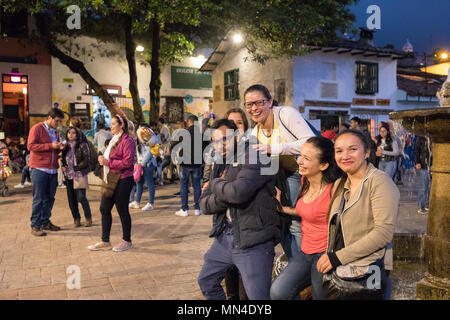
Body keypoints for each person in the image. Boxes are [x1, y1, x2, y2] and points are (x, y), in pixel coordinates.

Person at [198, 118, 281, 300]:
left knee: (257, 298)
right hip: (225, 236)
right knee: (206, 281)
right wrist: (226, 192)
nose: (221, 145)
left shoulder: (255, 155)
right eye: (216, 140)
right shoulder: (219, 162)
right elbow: (204, 204)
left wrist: (216, 183)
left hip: (254, 238)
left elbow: (238, 193)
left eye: (225, 139)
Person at [316, 129, 399, 300]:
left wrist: (337, 257)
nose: (345, 155)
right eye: (339, 151)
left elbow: (383, 233)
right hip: (338, 271)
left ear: (367, 152)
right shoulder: (340, 183)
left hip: (366, 272)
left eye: (352, 149)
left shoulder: (380, 182)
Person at [245, 84, 315, 260]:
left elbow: (310, 141)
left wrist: (274, 148)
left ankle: (302, 266)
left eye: (258, 102)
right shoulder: (255, 131)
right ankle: (293, 263)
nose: (254, 108)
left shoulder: (285, 114)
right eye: (249, 104)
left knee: (294, 220)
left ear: (269, 102)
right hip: (284, 176)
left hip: (306, 172)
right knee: (282, 220)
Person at [270, 137, 342, 300]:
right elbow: (307, 210)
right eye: (300, 155)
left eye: (307, 158)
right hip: (306, 252)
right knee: (277, 292)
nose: (299, 161)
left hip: (324, 254)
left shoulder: (335, 190)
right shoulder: (306, 180)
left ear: (323, 165)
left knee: (319, 297)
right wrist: (283, 208)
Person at [88, 114, 136, 252]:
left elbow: (127, 163)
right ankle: (105, 241)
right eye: (111, 124)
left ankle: (127, 241)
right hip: (110, 177)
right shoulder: (114, 139)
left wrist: (107, 162)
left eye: (114, 124)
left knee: (122, 210)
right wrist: (103, 159)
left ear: (121, 125)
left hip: (123, 179)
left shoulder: (128, 141)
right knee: (104, 208)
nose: (111, 126)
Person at [27, 108, 65, 236]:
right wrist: (51, 146)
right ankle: (35, 225)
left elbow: (54, 151)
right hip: (39, 168)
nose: (58, 124)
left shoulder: (56, 132)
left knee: (50, 197)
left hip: (53, 169)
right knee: (39, 198)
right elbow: (31, 146)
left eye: (60, 122)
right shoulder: (37, 128)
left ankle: (45, 221)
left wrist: (59, 148)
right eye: (57, 121)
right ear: (49, 117)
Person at [173, 115, 205, 217]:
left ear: (189, 122)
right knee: (197, 186)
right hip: (197, 163)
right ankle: (197, 208)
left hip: (185, 163)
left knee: (184, 185)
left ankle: (184, 209)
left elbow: (175, 143)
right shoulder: (201, 134)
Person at [61, 127, 93, 227]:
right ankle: (76, 218)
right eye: (69, 132)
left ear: (77, 134)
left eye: (73, 133)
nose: (71, 134)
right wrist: (63, 165)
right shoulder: (65, 147)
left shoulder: (82, 145)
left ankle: (88, 218)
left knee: (81, 197)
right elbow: (62, 159)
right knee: (72, 199)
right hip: (68, 176)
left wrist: (76, 167)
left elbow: (87, 159)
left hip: (79, 174)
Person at [129, 125, 158, 211]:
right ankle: (137, 202)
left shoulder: (148, 139)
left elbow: (149, 153)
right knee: (139, 183)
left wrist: (141, 164)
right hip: (141, 164)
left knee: (150, 184)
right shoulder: (141, 140)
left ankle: (150, 203)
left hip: (148, 165)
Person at [414, 135, 431, 215]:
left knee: (430, 186)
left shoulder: (433, 137)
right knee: (423, 186)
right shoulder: (420, 137)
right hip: (423, 164)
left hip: (432, 165)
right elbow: (416, 150)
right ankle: (422, 206)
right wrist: (417, 162)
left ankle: (427, 204)